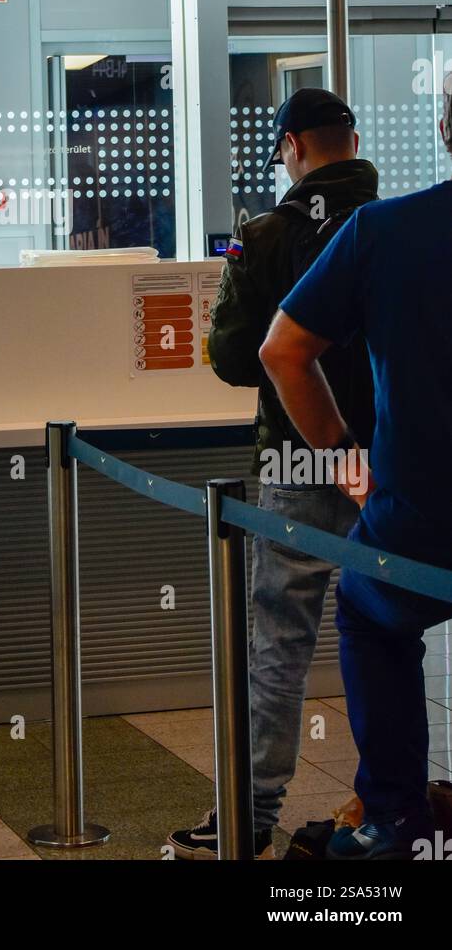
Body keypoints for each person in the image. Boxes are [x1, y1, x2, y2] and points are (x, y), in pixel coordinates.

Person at [170, 88, 379, 860]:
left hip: (296, 459)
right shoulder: (399, 224)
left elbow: (231, 358)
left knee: (278, 647)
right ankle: (382, 805)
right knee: (390, 635)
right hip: (387, 466)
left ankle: (249, 813)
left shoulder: (264, 235)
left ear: (292, 147)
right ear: (351, 140)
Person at [259, 78, 452, 860]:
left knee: (372, 616)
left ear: (444, 126)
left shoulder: (386, 231)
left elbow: (279, 351)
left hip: (420, 517)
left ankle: (393, 816)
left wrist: (345, 456)